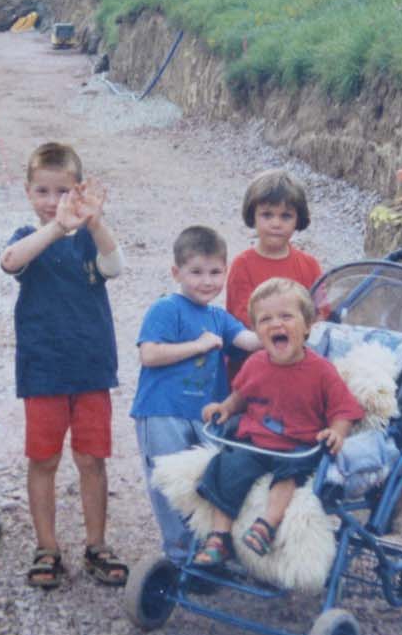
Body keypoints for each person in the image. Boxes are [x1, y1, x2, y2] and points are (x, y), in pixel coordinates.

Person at [0, 142, 125, 588]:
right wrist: (56, 227)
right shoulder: (25, 239)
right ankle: (47, 546)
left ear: (80, 190)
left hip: (91, 369)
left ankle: (96, 543)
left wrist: (94, 220)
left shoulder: (92, 239)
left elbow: (115, 266)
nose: (53, 201)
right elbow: (10, 262)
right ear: (29, 193)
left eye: (63, 191)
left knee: (92, 459)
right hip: (43, 371)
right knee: (44, 459)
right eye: (43, 191)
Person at [193, 277, 363, 566]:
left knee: (290, 472)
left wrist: (337, 432)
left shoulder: (321, 371)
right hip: (256, 443)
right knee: (226, 466)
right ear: (257, 330)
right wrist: (225, 407)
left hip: (298, 445)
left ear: (308, 325)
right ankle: (219, 538)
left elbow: (344, 409)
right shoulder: (256, 363)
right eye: (265, 319)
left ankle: (266, 525)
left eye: (286, 316)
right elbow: (241, 395)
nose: (276, 324)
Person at [130, 226, 263, 563]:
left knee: (207, 478)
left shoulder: (219, 316)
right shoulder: (167, 308)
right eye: (197, 272)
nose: (207, 282)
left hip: (205, 413)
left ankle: (207, 548)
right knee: (169, 481)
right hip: (163, 410)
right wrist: (199, 346)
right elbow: (150, 354)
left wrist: (282, 335)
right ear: (177, 273)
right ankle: (177, 555)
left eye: (215, 272)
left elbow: (246, 340)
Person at [224, 169, 322, 372]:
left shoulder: (309, 265)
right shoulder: (242, 265)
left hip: (299, 358)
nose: (276, 224)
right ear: (253, 216)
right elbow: (242, 317)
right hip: (253, 362)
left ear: (298, 220)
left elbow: (320, 312)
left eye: (285, 216)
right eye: (267, 215)